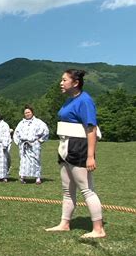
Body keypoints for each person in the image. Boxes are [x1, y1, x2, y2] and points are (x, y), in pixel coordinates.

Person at [45, 69, 106, 239]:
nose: (61, 83)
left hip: (79, 146)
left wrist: (90, 156)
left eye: (64, 80)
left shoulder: (85, 101)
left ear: (75, 82)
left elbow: (91, 128)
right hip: (65, 145)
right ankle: (64, 224)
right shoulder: (68, 101)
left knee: (86, 189)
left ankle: (98, 228)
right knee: (67, 189)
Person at [13, 105, 49, 184]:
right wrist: (18, 142)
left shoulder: (38, 122)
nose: (27, 114)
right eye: (25, 113)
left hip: (34, 144)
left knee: (35, 161)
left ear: (32, 112)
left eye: (28, 112)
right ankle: (22, 177)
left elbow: (46, 131)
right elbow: (16, 133)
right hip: (23, 145)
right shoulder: (21, 123)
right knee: (23, 161)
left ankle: (37, 178)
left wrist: (40, 140)